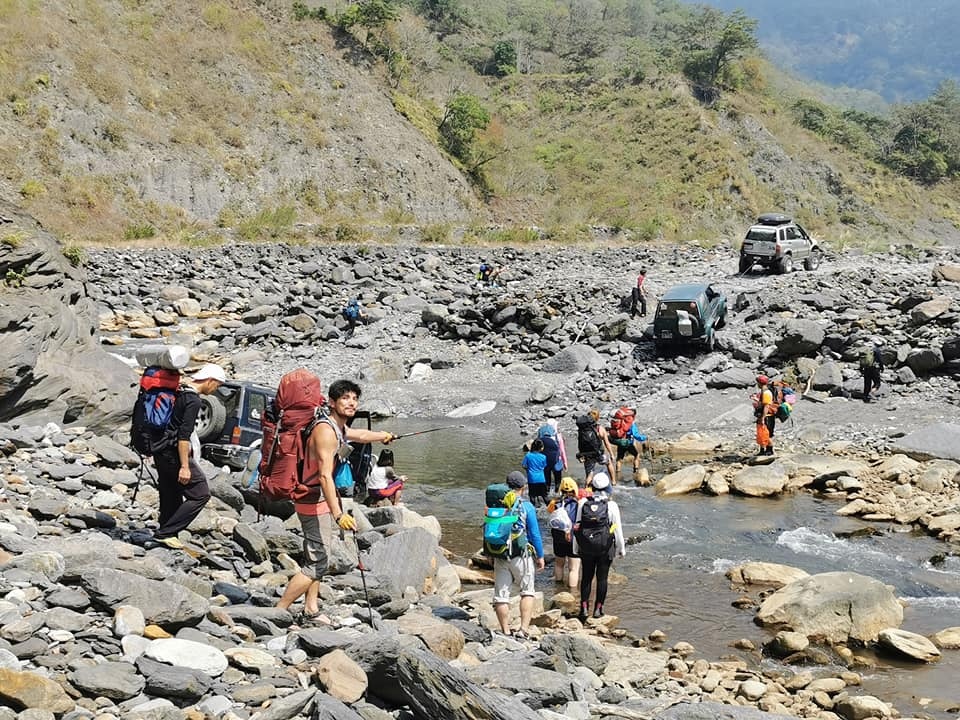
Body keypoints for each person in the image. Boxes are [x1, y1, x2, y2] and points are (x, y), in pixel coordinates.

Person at [277, 379, 395, 624]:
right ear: (332, 402)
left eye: (354, 398)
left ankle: (311, 606)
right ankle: (279, 610)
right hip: (311, 496)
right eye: (345, 398)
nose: (351, 403)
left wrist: (383, 435)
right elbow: (323, 475)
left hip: (319, 495)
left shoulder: (337, 426)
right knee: (318, 561)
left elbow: (359, 434)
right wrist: (339, 514)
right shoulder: (326, 432)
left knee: (320, 554)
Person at [151, 363, 225, 548]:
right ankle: (165, 533)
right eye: (217, 385)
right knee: (200, 493)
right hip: (174, 452)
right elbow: (183, 436)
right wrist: (185, 466)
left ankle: (168, 533)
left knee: (171, 491)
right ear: (210, 380)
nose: (216, 389)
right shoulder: (193, 400)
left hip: (160, 449)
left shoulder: (179, 392)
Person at [492, 471, 545, 639]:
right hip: (522, 555)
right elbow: (535, 533)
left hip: (500, 554)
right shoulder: (526, 506)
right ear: (523, 487)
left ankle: (505, 631)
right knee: (527, 591)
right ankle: (523, 629)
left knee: (501, 596)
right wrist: (540, 556)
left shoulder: (497, 503)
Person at [572, 472, 625, 621]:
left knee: (586, 578)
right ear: (608, 487)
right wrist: (621, 549)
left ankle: (583, 609)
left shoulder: (582, 503)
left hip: (586, 547)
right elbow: (617, 528)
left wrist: (575, 547)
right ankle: (598, 609)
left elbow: (577, 526)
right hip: (605, 547)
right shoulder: (611, 505)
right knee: (602, 579)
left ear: (592, 487)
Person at [547, 477, 581, 590]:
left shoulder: (555, 503)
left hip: (558, 537)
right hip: (573, 538)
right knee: (573, 568)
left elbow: (549, 512)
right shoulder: (580, 504)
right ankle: (572, 592)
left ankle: (558, 587)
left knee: (558, 564)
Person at [577, 409, 616, 485]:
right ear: (597, 418)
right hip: (599, 454)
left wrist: (581, 455)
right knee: (609, 462)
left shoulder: (582, 429)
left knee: (590, 473)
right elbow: (607, 443)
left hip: (587, 455)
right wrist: (611, 454)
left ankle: (586, 489)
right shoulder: (600, 428)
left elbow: (580, 442)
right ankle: (613, 482)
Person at [537, 419, 567, 493]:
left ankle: (546, 494)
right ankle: (557, 494)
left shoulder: (540, 437)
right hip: (556, 461)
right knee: (558, 479)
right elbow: (562, 451)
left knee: (547, 479)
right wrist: (565, 463)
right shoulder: (558, 437)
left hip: (545, 462)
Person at [753, 375, 776, 456]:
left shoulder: (766, 393)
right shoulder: (764, 391)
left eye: (757, 382)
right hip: (763, 416)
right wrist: (756, 399)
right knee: (761, 433)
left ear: (760, 383)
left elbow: (766, 406)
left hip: (767, 416)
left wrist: (763, 418)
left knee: (766, 434)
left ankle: (770, 450)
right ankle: (762, 450)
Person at [522, 438, 549, 507]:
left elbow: (523, 465)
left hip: (532, 479)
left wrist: (528, 469)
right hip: (541, 478)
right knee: (544, 496)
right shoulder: (543, 457)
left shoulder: (528, 455)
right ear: (540, 448)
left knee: (532, 496)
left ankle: (532, 509)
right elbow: (544, 466)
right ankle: (551, 509)